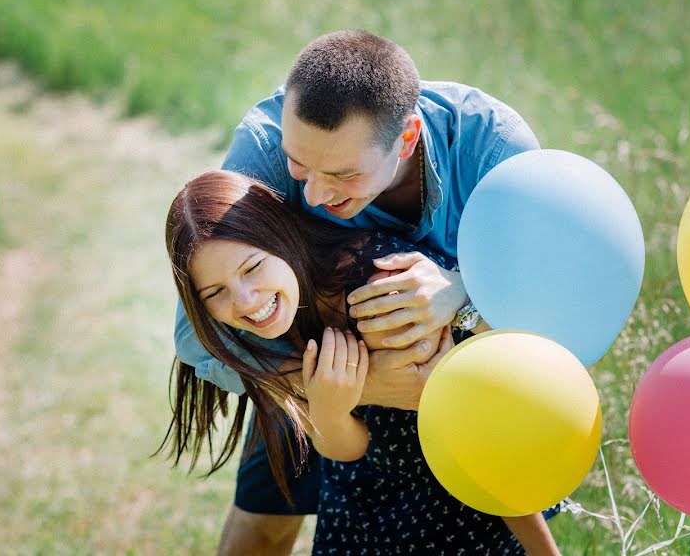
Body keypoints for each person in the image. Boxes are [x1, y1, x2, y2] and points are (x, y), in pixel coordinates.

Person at [172, 29, 549, 554]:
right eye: (299, 166)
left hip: (457, 394)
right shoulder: (264, 142)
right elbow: (195, 335)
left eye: (344, 174)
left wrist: (465, 292)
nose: (315, 194)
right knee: (263, 527)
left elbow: (545, 291)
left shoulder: (494, 150)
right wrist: (355, 387)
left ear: (408, 137)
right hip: (305, 357)